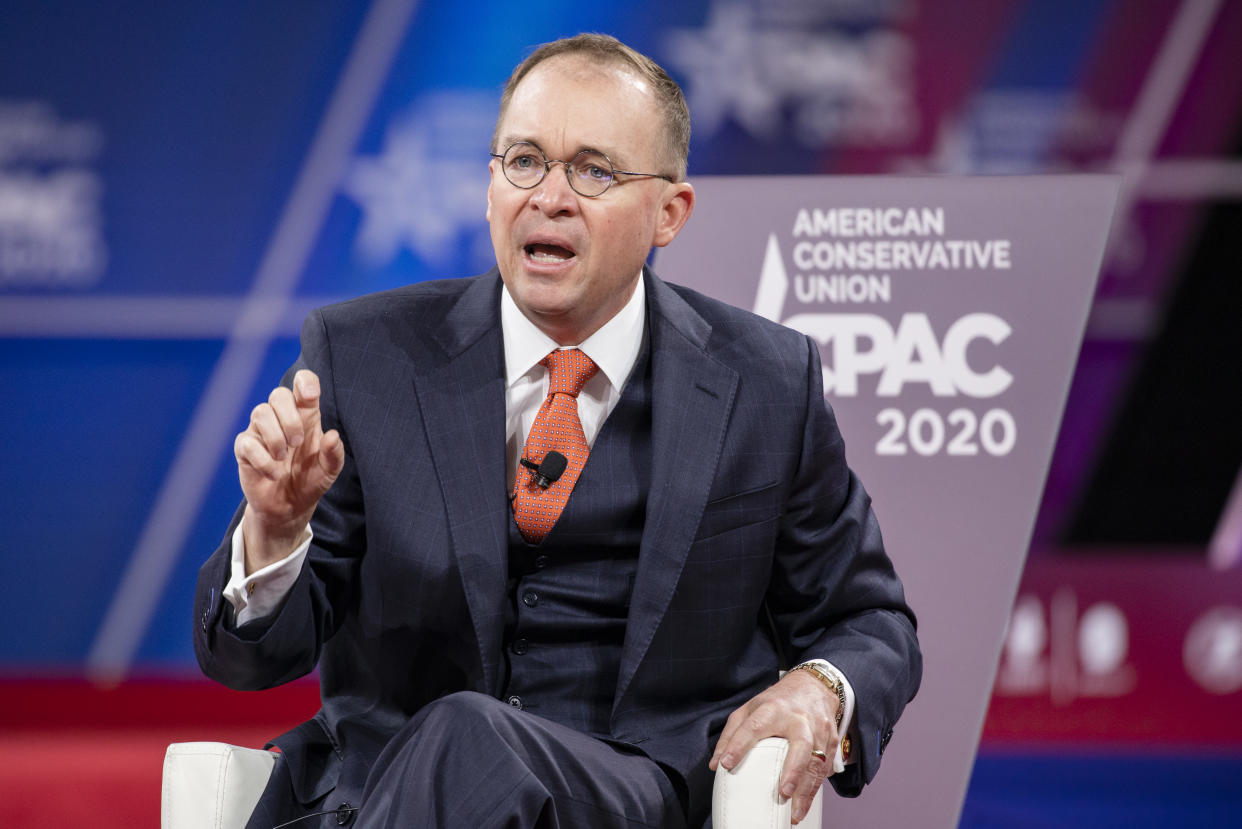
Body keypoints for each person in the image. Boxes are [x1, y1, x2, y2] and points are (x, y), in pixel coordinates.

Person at [194, 33, 921, 829]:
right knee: (458, 737)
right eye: (524, 161)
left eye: (594, 171)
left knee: (470, 733)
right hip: (378, 795)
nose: (549, 196)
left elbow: (871, 619)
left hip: (626, 798)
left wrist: (819, 686)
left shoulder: (765, 381)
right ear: (489, 188)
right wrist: (274, 532)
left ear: (669, 212)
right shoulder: (365, 356)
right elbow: (252, 659)